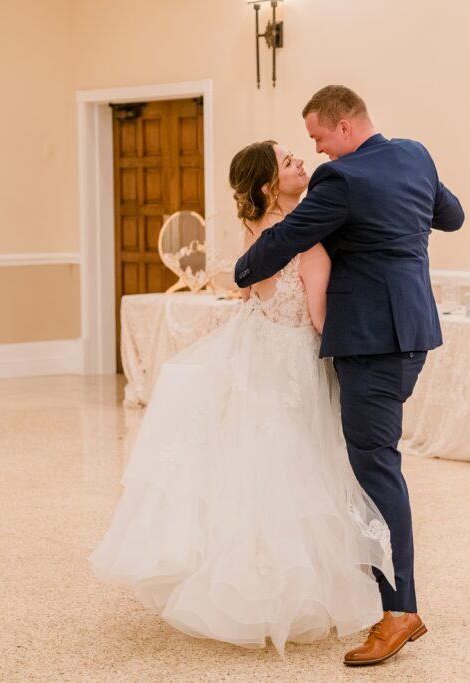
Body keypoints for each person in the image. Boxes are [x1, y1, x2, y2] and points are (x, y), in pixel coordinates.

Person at [90, 140, 394, 656]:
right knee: (299, 466)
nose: (300, 162)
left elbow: (250, 296)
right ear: (269, 186)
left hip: (257, 355)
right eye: (288, 161)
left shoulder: (254, 231)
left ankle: (245, 582)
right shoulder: (308, 243)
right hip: (294, 360)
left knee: (254, 465)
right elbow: (320, 321)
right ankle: (290, 590)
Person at [234, 85, 465, 666]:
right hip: (413, 334)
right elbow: (452, 216)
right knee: (372, 462)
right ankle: (379, 591)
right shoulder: (414, 154)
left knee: (376, 469)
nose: (315, 149)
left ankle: (400, 612)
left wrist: (244, 267)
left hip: (370, 342)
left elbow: (288, 236)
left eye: (317, 137)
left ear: (343, 127)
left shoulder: (340, 179)